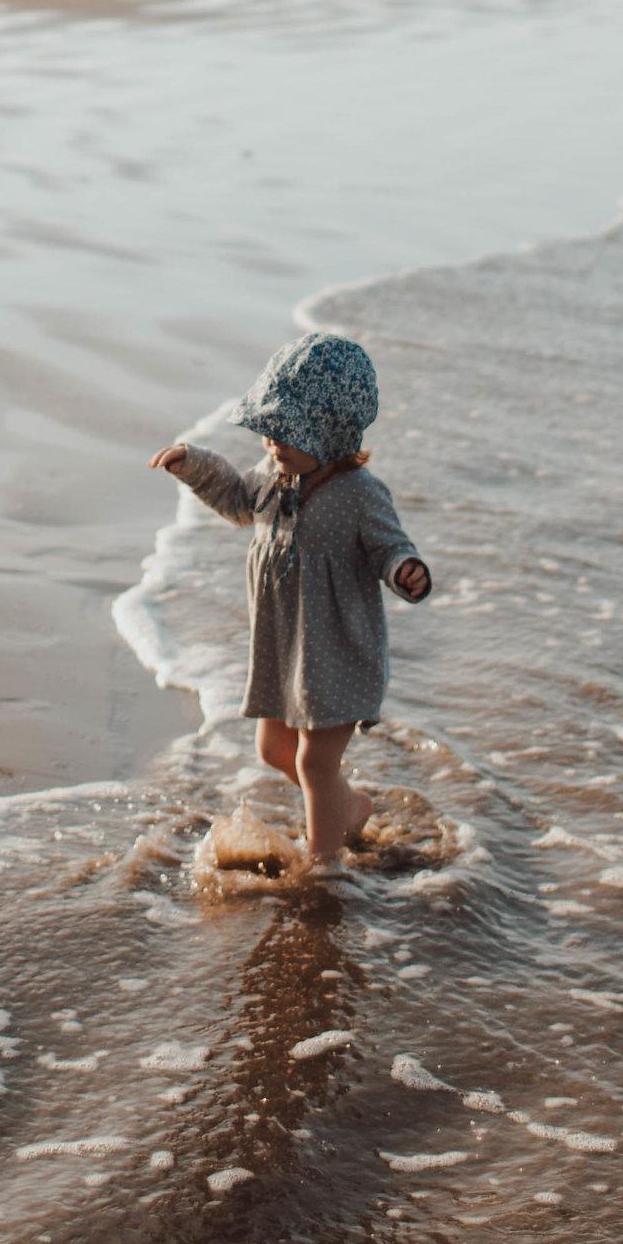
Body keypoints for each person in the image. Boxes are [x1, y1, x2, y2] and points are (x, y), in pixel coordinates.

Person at [153, 330, 433, 876]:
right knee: (275, 751)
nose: (273, 446)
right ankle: (349, 810)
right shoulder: (275, 478)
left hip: (338, 651)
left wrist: (405, 572)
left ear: (331, 436)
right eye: (268, 434)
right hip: (287, 648)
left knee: (314, 760)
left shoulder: (359, 494)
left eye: (287, 435)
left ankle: (325, 866)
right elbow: (237, 501)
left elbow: (390, 546)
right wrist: (193, 465)